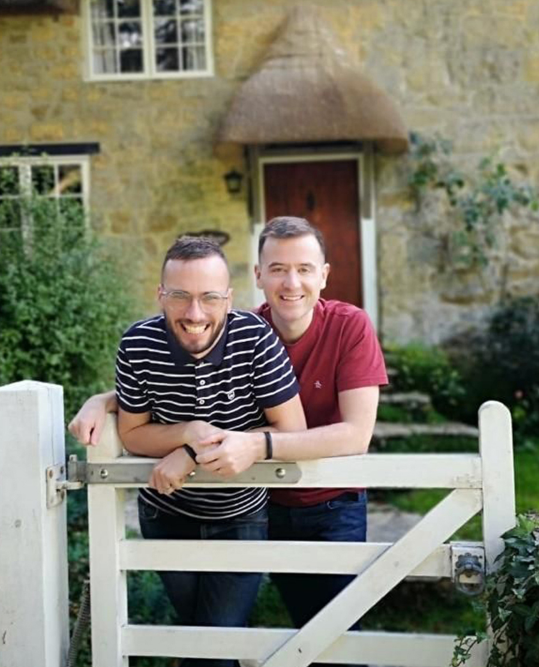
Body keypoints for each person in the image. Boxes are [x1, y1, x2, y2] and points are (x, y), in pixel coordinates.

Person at [71, 236, 306, 667]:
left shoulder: (255, 338)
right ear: (160, 294)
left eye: (209, 298)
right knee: (201, 641)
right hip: (166, 514)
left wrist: (193, 451)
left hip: (240, 514)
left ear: (229, 299)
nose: (194, 314)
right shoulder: (138, 345)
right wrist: (190, 432)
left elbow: (292, 429)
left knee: (212, 651)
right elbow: (135, 434)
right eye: (179, 297)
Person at [198, 216, 387, 655]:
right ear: (259, 275)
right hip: (259, 505)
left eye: (304, 268)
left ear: (323, 274)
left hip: (333, 505)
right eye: (278, 268)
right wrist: (105, 401)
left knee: (336, 642)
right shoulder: (239, 331)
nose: (292, 282)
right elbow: (172, 381)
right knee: (229, 636)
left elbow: (355, 436)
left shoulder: (350, 326)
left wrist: (258, 444)